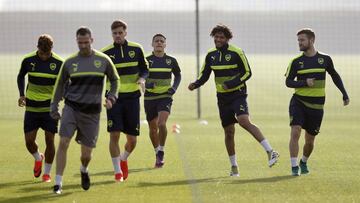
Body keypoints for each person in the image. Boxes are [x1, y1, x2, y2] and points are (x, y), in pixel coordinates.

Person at [188, 24, 279, 177]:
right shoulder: (211, 55)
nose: (218, 39)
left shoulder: (237, 52)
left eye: (221, 37)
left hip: (238, 94)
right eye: (216, 37)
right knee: (229, 132)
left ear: (227, 39)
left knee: (243, 120)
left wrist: (231, 83)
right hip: (222, 98)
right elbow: (205, 75)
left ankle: (270, 151)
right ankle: (234, 167)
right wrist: (195, 84)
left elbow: (247, 73)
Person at [50, 26, 119, 193]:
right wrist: (54, 105)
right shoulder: (69, 62)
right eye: (80, 43)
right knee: (64, 141)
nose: (83, 46)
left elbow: (115, 80)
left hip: (92, 113)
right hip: (71, 108)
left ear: (92, 40)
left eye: (86, 42)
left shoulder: (103, 60)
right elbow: (59, 85)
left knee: (86, 154)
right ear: (76, 41)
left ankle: (83, 169)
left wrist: (111, 97)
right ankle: (58, 183)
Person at [285, 28, 349, 176]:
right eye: (298, 40)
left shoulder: (325, 59)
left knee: (310, 140)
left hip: (317, 106)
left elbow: (334, 75)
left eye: (302, 40)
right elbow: (288, 82)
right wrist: (304, 83)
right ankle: (294, 167)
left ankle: (304, 161)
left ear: (311, 40)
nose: (299, 43)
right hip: (299, 102)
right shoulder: (296, 62)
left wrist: (344, 93)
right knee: (295, 131)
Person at [101, 20, 148, 181]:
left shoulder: (136, 49)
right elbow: (99, 75)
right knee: (114, 135)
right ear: (112, 34)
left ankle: (123, 158)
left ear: (125, 33)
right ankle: (117, 172)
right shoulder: (105, 53)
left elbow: (144, 68)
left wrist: (142, 79)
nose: (118, 36)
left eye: (120, 32)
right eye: (115, 33)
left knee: (132, 141)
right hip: (113, 99)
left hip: (132, 98)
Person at [17, 34, 63, 182]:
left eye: (47, 53)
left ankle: (47, 173)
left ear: (51, 50)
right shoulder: (28, 60)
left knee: (50, 140)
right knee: (29, 141)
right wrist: (22, 94)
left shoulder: (59, 63)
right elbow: (20, 76)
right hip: (32, 108)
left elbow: (66, 82)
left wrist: (61, 93)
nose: (44, 57)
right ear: (37, 48)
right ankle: (38, 157)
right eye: (42, 53)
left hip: (50, 108)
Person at [144, 34, 181, 168]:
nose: (159, 43)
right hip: (149, 98)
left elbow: (178, 75)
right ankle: (156, 153)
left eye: (162, 41)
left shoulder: (171, 61)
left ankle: (161, 151)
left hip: (165, 97)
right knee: (153, 129)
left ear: (165, 45)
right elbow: (140, 78)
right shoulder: (146, 61)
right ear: (152, 44)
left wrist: (174, 88)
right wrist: (147, 86)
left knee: (161, 123)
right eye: (156, 41)